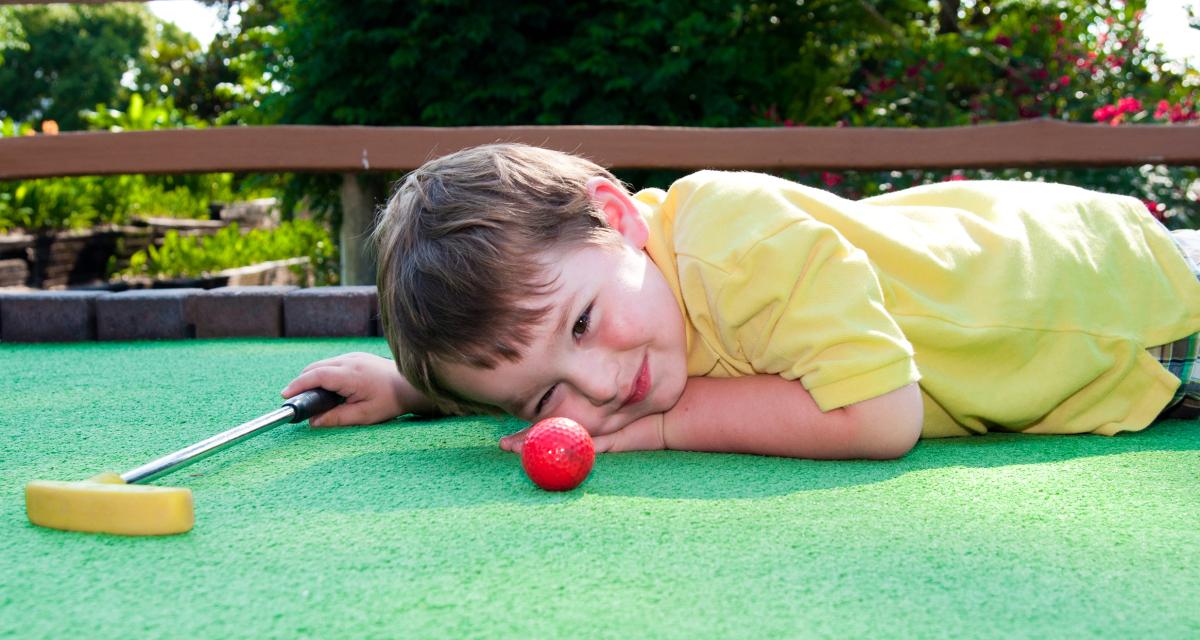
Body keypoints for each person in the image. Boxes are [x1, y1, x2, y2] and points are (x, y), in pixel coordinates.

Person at [282, 143, 1200, 460]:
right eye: (538, 400)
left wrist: (670, 430)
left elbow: (882, 417)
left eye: (585, 325)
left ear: (616, 215)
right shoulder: (612, 298)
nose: (599, 388)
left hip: (1140, 308)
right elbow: (540, 358)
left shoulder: (735, 234)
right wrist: (415, 391)